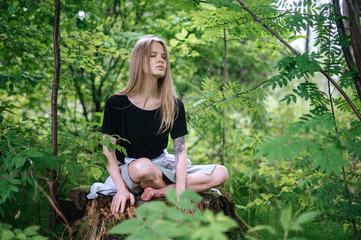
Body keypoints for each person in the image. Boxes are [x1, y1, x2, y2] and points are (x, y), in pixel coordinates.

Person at [87, 35, 229, 215]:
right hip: (133, 171)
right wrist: (121, 189)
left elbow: (180, 151)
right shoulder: (116, 103)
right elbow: (108, 151)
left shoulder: (173, 104)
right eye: (153, 55)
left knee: (221, 172)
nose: (160, 59)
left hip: (162, 166)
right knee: (143, 166)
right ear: (139, 61)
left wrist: (179, 190)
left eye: (163, 56)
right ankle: (170, 187)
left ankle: (160, 191)